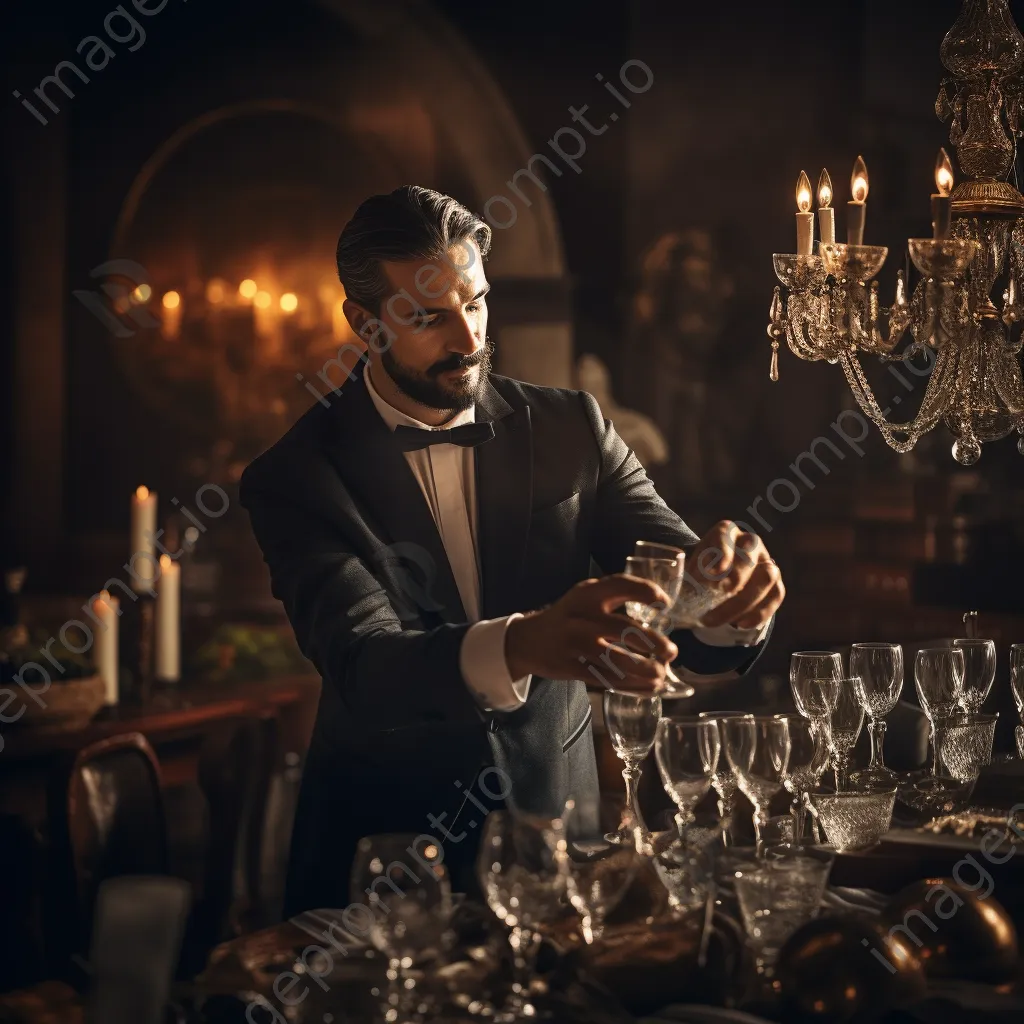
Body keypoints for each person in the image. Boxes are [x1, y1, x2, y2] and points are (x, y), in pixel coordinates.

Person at [239, 186, 785, 917]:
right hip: (383, 865)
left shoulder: (571, 428)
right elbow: (366, 664)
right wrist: (526, 643)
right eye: (427, 317)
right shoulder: (297, 476)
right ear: (365, 325)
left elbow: (676, 582)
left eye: (475, 303)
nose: (466, 339)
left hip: (563, 848)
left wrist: (729, 603)